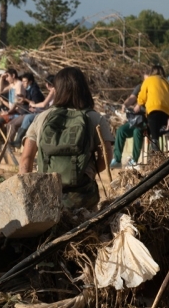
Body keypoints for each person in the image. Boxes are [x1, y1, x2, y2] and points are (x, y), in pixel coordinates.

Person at [20, 67, 113, 208]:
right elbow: (105, 157)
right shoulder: (95, 118)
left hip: (47, 196)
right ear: (84, 89)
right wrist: (86, 171)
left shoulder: (42, 118)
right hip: (82, 198)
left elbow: (26, 159)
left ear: (56, 90)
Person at [137, 63, 169, 154]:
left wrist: (139, 104)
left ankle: (154, 144)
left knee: (151, 122)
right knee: (158, 125)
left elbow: (142, 98)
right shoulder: (166, 82)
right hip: (166, 110)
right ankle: (157, 139)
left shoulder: (149, 80)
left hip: (153, 108)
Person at [112, 83, 145, 168]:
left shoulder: (154, 88)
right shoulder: (141, 86)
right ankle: (117, 159)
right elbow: (132, 98)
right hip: (136, 118)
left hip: (148, 119)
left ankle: (134, 160)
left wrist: (139, 106)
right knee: (121, 130)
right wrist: (125, 105)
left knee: (137, 131)